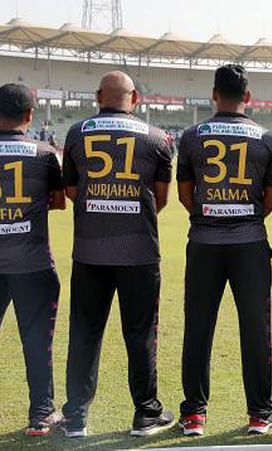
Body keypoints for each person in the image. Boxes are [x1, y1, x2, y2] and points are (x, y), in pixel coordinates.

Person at [61, 71, 174, 437]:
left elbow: (72, 191)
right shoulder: (157, 138)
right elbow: (162, 198)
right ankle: (146, 414)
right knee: (141, 334)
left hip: (90, 250)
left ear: (98, 96)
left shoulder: (77, 133)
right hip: (139, 251)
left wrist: (102, 205)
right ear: (135, 98)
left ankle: (76, 418)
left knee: (84, 333)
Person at [176, 64, 272, 436]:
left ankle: (193, 414)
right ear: (248, 98)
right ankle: (260, 413)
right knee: (256, 328)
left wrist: (209, 214)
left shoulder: (191, 136)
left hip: (204, 243)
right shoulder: (268, 138)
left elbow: (185, 194)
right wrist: (246, 216)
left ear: (214, 94)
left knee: (198, 328)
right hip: (250, 244)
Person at [0, 83, 65, 436]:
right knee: (38, 341)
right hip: (32, 263)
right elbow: (57, 201)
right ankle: (41, 415)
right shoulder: (43, 154)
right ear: (29, 116)